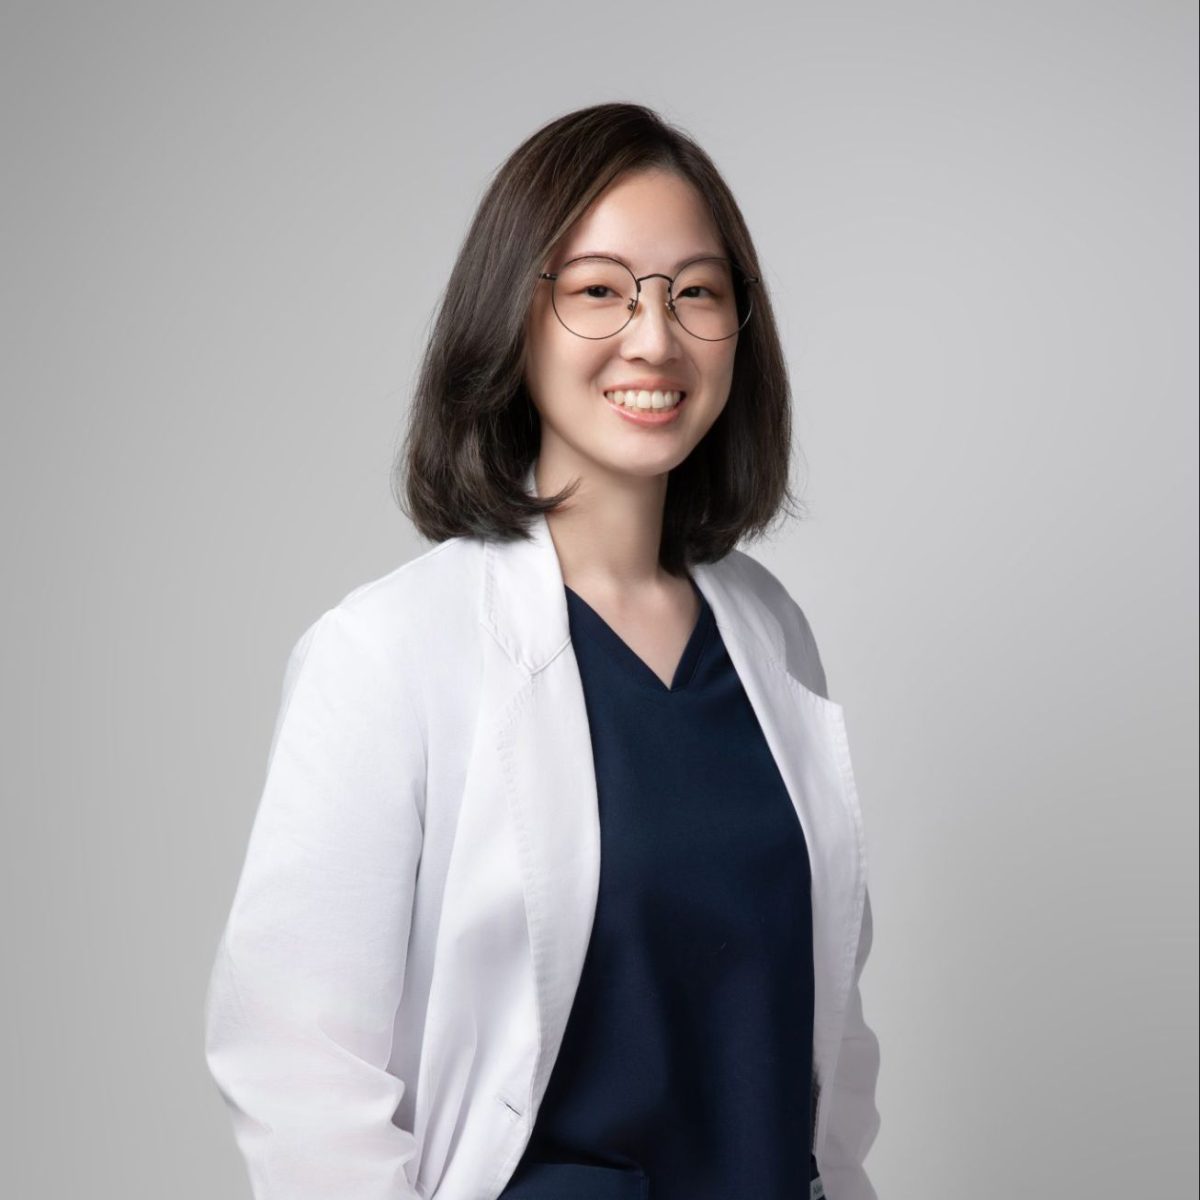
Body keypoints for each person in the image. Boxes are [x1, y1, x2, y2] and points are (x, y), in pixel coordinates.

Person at [204, 101, 880, 1200]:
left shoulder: (769, 633)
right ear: (513, 317)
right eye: (600, 291)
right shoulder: (388, 653)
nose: (654, 338)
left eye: (697, 292)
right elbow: (296, 1069)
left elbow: (827, 1032)